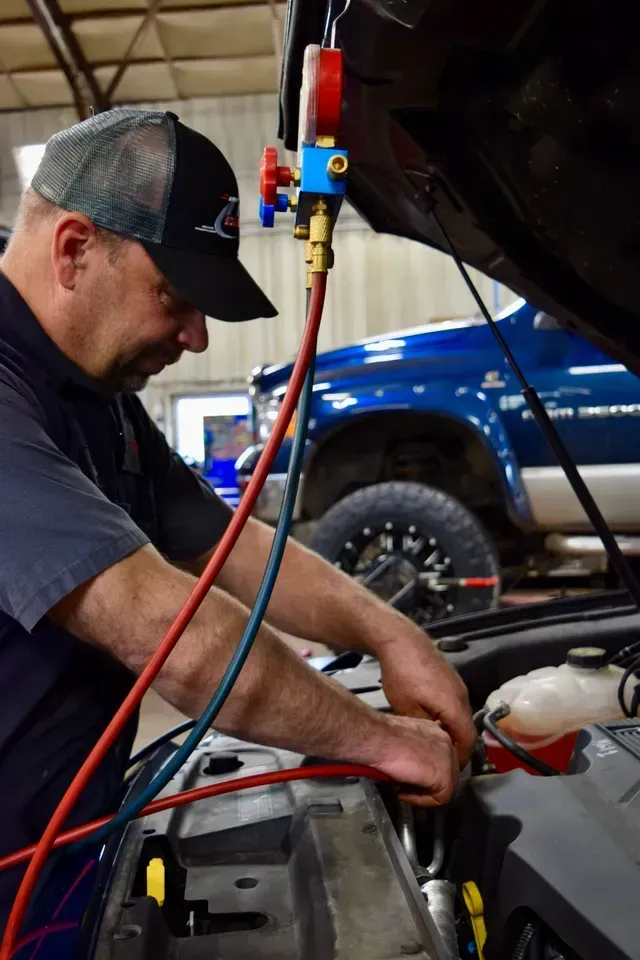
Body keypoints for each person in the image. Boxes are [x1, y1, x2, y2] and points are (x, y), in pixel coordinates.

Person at [0, 108, 475, 922]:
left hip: (65, 843)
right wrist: (384, 741)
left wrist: (394, 635)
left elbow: (229, 547)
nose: (195, 336)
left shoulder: (95, 393)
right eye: (174, 296)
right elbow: (173, 639)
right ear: (74, 250)